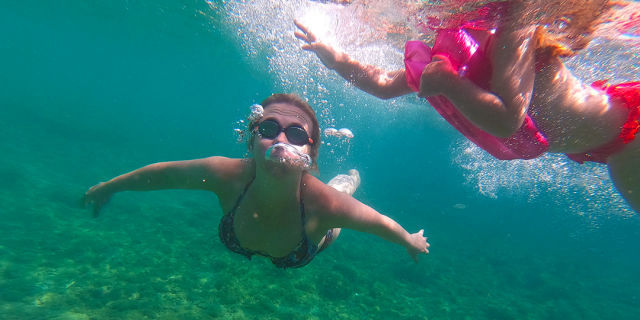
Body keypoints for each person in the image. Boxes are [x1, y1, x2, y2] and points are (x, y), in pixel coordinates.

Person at [295, 0, 640, 213]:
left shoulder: (511, 29)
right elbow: (382, 85)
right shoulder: (446, 55)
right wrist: (332, 56)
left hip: (627, 132)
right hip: (599, 143)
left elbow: (507, 121)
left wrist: (449, 84)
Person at [83, 93, 429, 269]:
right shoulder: (227, 174)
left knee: (340, 197)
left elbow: (379, 224)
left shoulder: (325, 203)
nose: (280, 140)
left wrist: (410, 240)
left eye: (295, 133)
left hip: (305, 246)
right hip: (251, 236)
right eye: (267, 128)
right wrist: (107, 187)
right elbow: (164, 175)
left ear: (310, 152)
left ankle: (349, 179)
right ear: (251, 140)